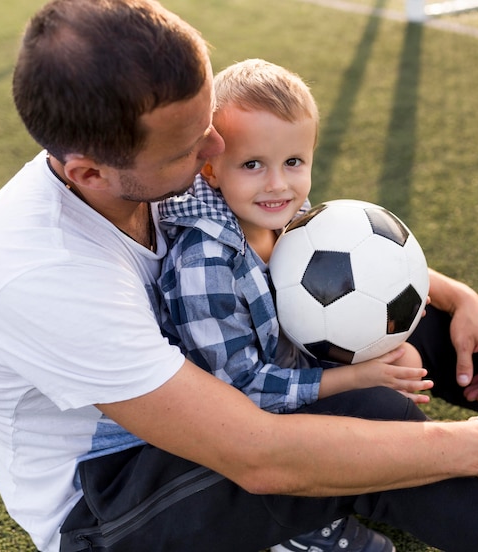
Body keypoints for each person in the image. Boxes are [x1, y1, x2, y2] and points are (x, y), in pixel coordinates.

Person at [0, 1, 478, 552]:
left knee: (389, 320)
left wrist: (456, 296)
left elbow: (312, 253)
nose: (215, 151)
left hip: (219, 394)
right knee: (369, 416)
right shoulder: (42, 275)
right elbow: (260, 455)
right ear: (88, 174)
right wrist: (477, 446)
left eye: (208, 123)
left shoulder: (152, 157)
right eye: (190, 148)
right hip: (113, 498)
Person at [157, 58, 429, 552]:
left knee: (402, 363)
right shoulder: (205, 261)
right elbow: (241, 390)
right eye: (253, 164)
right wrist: (355, 377)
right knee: (381, 398)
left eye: (294, 162)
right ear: (211, 168)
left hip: (292, 368)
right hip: (242, 420)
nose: (278, 185)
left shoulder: (294, 219)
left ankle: (370, 481)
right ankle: (298, 527)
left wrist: (390, 312)